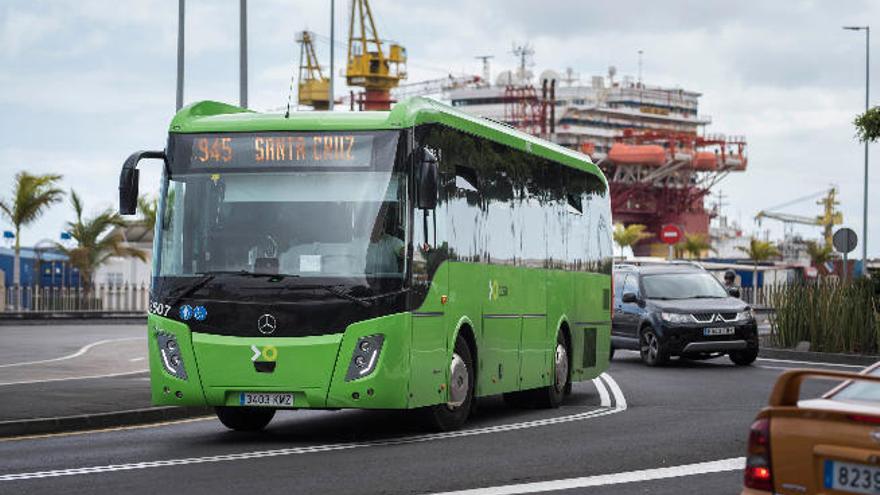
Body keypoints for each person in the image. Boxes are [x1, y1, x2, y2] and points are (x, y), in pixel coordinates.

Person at [365, 205, 404, 274]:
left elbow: (404, 251)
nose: (377, 225)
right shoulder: (360, 243)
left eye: (380, 222)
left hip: (390, 283)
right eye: (374, 222)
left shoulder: (392, 242)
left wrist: (405, 252)